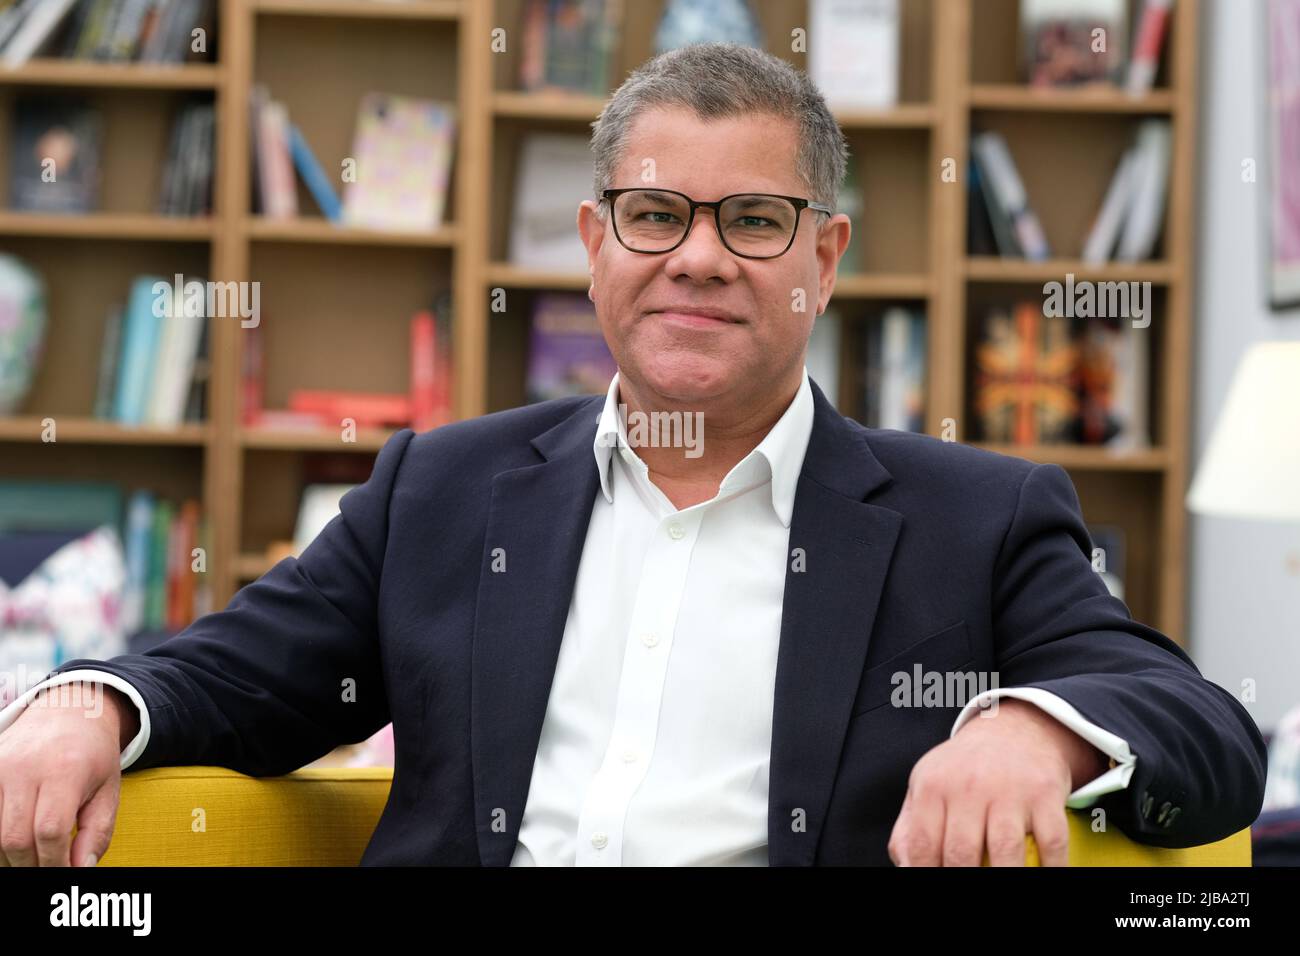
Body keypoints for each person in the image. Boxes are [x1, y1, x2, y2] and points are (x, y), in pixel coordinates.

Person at [0, 42, 1266, 867]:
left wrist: (1025, 731)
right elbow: (241, 671)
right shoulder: (441, 485)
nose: (698, 256)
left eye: (754, 220)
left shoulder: (974, 517)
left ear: (823, 259)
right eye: (656, 214)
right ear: (595, 241)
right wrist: (88, 701)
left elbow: (1205, 733)